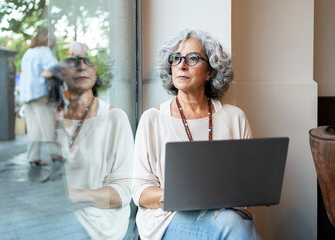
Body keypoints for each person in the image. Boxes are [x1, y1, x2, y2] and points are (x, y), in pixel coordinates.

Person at [131, 29, 262, 240]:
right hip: (168, 219)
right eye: (176, 58)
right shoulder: (152, 119)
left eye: (192, 58)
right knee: (233, 226)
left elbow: (249, 186)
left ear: (211, 71)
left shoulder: (235, 118)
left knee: (231, 222)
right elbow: (140, 192)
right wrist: (179, 196)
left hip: (224, 214)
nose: (182, 65)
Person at [55, 56, 134, 239]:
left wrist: (72, 196)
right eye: (74, 62)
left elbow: (123, 192)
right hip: (53, 214)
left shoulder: (115, 118)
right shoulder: (50, 118)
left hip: (98, 221)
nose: (82, 66)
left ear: (97, 72)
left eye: (88, 61)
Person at [20, 27, 62, 166]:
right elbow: (55, 69)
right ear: (47, 39)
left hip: (26, 95)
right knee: (48, 125)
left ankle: (33, 156)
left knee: (34, 127)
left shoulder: (28, 53)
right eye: (51, 39)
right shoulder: (44, 51)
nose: (52, 42)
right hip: (39, 93)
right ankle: (56, 155)